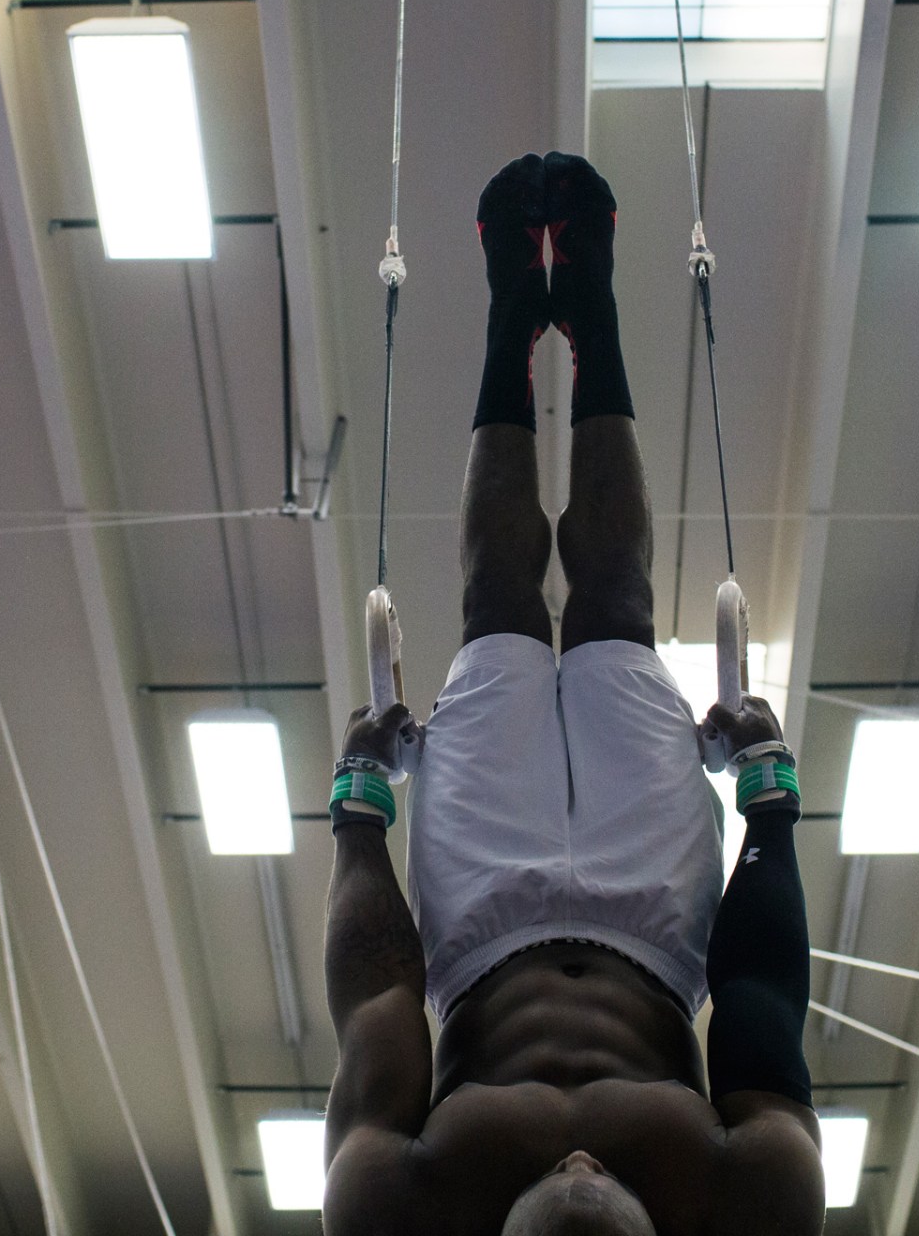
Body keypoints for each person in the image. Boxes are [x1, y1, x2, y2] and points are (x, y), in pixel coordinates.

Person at [320, 153, 826, 1234]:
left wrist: (361, 813)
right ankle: (585, 306)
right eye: (609, 1188)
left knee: (496, 597)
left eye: (562, 1190)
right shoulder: (753, 1198)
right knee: (613, 601)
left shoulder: (396, 1205)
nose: (585, 1159)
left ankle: (513, 317)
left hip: (478, 924)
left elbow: (375, 1006)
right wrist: (768, 801)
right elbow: (761, 999)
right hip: (657, 916)